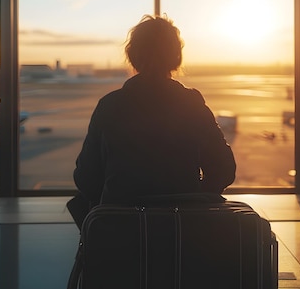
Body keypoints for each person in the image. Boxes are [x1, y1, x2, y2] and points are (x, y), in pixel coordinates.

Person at [68, 14, 236, 228]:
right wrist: (193, 197)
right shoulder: (192, 104)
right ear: (176, 57)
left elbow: (85, 178)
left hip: (122, 231)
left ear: (132, 56)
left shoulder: (109, 106)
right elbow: (224, 169)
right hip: (184, 230)